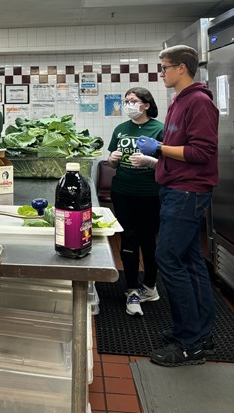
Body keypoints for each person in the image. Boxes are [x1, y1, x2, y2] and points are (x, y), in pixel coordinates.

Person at [137, 45, 219, 367]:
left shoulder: (198, 102)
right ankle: (200, 335)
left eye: (164, 67)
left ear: (182, 68)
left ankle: (189, 344)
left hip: (188, 192)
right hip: (175, 188)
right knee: (190, 261)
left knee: (168, 258)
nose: (162, 73)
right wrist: (157, 155)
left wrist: (158, 147)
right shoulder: (179, 101)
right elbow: (179, 147)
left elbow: (201, 152)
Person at [107, 87, 163, 317]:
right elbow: (112, 163)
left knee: (149, 241)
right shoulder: (121, 129)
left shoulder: (159, 129)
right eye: (126, 100)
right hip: (123, 193)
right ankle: (131, 288)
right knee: (128, 240)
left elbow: (170, 165)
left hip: (150, 194)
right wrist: (111, 159)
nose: (129, 105)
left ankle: (150, 287)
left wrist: (151, 161)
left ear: (146, 105)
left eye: (133, 101)